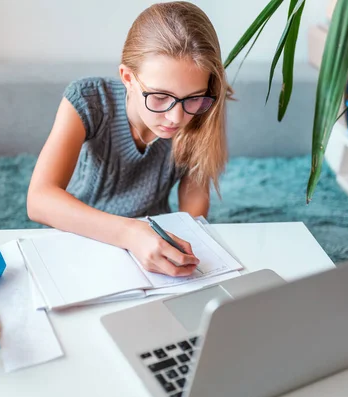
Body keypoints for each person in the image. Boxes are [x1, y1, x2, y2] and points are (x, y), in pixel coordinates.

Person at [27, 1, 233, 277]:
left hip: (151, 240)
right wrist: (130, 232)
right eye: (160, 97)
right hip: (78, 232)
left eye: (193, 98)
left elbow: (193, 206)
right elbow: (39, 200)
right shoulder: (89, 100)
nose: (176, 117)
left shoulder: (201, 112)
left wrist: (186, 247)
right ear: (128, 77)